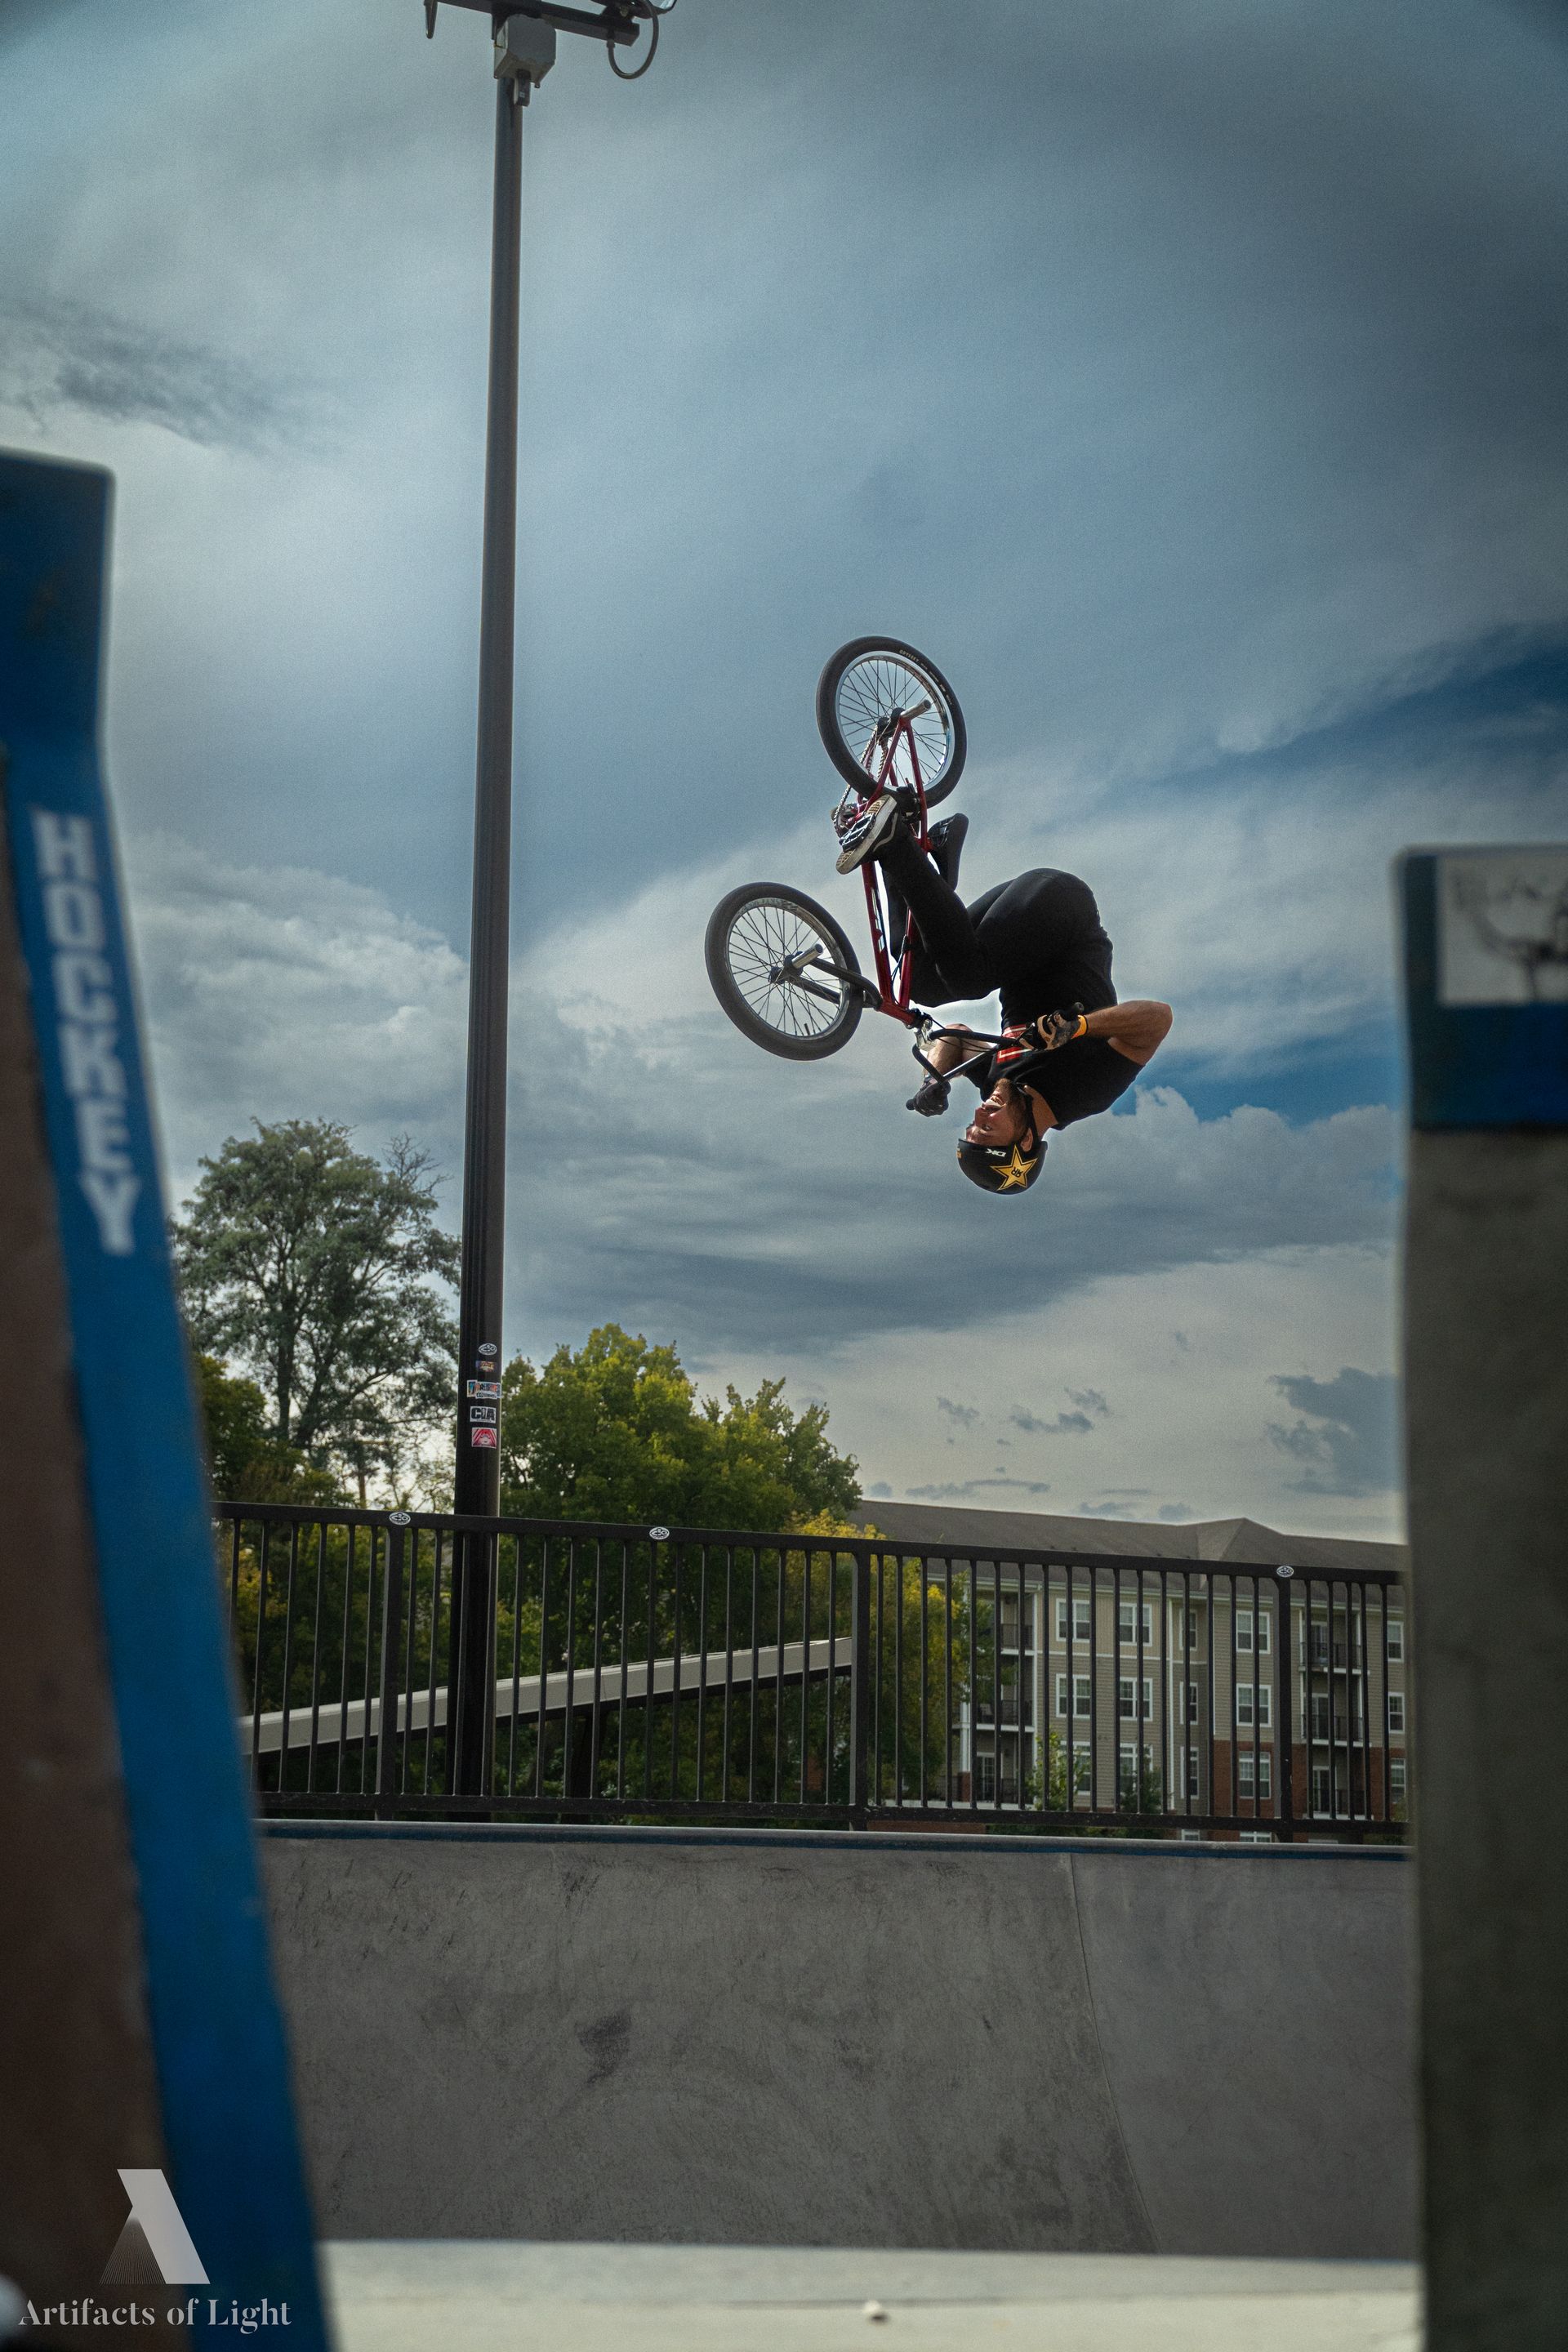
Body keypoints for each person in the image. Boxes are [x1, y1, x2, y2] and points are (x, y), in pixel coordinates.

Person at [834, 793, 1172, 1194]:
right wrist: (1079, 1026)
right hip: (1063, 909)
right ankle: (894, 839)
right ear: (1025, 1141)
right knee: (968, 979)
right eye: (987, 1130)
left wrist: (933, 1078)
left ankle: (918, 841)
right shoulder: (1083, 1093)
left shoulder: (998, 1084)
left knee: (918, 980)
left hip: (1016, 923)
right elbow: (1157, 1020)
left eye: (972, 1126)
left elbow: (956, 1037)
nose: (980, 1114)